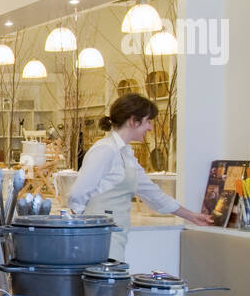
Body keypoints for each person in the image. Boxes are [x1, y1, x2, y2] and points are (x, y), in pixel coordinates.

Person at [67, 93, 212, 260]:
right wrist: (87, 227)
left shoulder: (125, 153)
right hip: (97, 241)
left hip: (114, 239)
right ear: (133, 121)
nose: (150, 128)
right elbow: (77, 194)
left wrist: (191, 216)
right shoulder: (105, 150)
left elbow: (151, 192)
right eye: (148, 121)